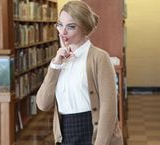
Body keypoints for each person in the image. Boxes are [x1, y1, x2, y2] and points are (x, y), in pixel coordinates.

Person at [36, 1, 122, 145]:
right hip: (65, 133)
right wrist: (55, 65)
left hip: (92, 132)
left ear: (84, 28)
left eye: (71, 26)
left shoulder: (99, 58)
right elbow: (43, 104)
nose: (63, 32)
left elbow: (109, 109)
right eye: (60, 24)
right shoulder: (59, 61)